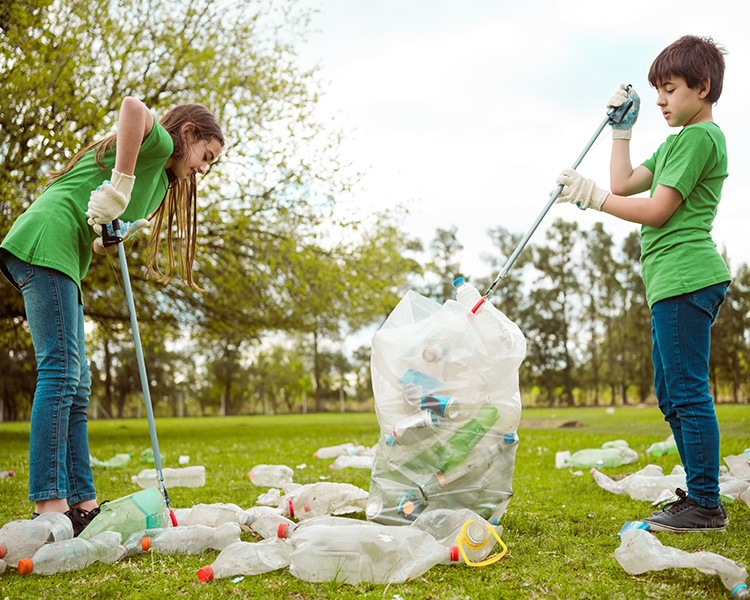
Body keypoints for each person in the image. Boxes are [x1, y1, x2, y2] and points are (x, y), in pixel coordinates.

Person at [0, 97, 224, 535]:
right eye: (206, 156)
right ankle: (49, 505)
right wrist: (120, 183)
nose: (203, 169)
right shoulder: (159, 146)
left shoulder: (161, 181)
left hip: (65, 251)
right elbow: (133, 107)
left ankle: (82, 501)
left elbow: (101, 209)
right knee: (61, 371)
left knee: (77, 383)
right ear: (189, 135)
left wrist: (107, 232)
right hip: (48, 241)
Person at [554, 35, 731, 532]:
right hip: (669, 282)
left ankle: (704, 503)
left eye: (669, 90)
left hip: (685, 277)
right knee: (671, 393)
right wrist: (620, 132)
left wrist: (588, 197)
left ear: (703, 87)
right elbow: (625, 183)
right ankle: (701, 493)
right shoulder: (677, 141)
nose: (660, 101)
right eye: (656, 91)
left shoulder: (700, 139)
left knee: (687, 392)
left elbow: (654, 210)